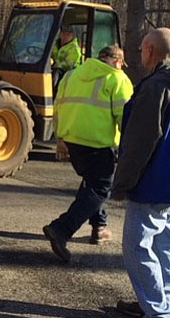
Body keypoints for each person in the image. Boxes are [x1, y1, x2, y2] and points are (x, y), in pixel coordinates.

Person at [112, 28, 170, 318]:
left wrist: (122, 183)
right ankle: (157, 303)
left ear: (151, 50)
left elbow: (140, 142)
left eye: (141, 49)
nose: (139, 54)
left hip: (152, 182)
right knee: (165, 246)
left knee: (137, 246)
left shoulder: (154, 88)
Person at [43, 44, 133, 263]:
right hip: (99, 144)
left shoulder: (71, 75)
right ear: (118, 62)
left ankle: (99, 228)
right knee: (101, 188)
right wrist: (130, 148)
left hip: (73, 141)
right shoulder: (118, 79)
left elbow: (58, 106)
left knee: (91, 184)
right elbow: (126, 117)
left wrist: (60, 139)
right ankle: (62, 229)